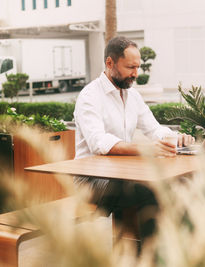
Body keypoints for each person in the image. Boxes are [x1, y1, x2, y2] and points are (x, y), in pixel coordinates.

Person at [73, 36, 194, 245]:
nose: (136, 74)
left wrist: (176, 139)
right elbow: (99, 143)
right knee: (150, 189)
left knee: (182, 181)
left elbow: (154, 129)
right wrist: (148, 149)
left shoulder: (132, 96)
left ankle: (172, 251)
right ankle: (145, 257)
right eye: (130, 67)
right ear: (109, 63)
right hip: (90, 180)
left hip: (120, 174)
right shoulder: (89, 96)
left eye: (138, 67)